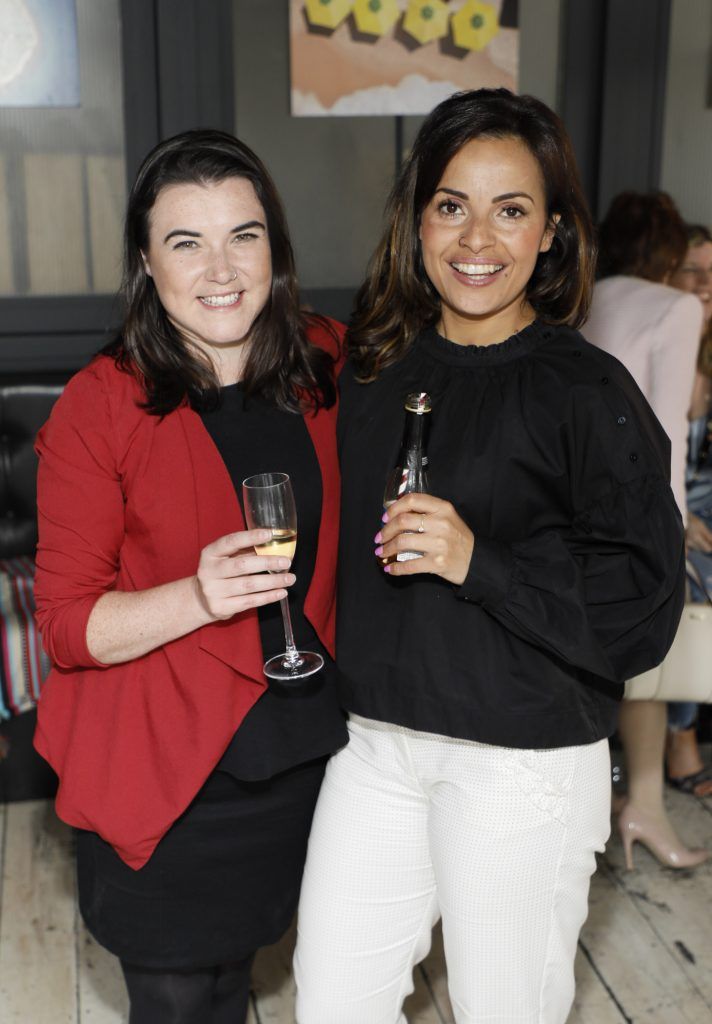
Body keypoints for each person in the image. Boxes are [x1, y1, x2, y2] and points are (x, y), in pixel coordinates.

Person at [293, 88, 686, 1024]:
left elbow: (643, 606)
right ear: (417, 218)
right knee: (333, 1004)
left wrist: (484, 562)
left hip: (523, 761)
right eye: (452, 206)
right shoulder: (375, 369)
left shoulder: (588, 392)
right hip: (377, 745)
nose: (478, 238)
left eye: (511, 210)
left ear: (551, 232)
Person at [33, 129, 347, 1024]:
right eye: (186, 242)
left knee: (236, 982)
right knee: (177, 1002)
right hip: (164, 772)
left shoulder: (325, 362)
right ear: (145, 260)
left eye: (243, 235)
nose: (221, 268)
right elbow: (64, 623)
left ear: (275, 249)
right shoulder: (102, 404)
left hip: (294, 755)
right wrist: (198, 596)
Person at [582, 193, 707, 868]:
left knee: (598, 665)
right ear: (666, 252)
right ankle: (646, 810)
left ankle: (603, 808)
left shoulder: (587, 296)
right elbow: (666, 433)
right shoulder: (676, 306)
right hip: (636, 515)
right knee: (649, 668)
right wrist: (677, 526)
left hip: (576, 509)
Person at [666, 223, 712, 797]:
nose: (704, 285)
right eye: (692, 272)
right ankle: (681, 737)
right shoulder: (657, 334)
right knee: (689, 584)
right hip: (669, 497)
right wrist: (678, 518)